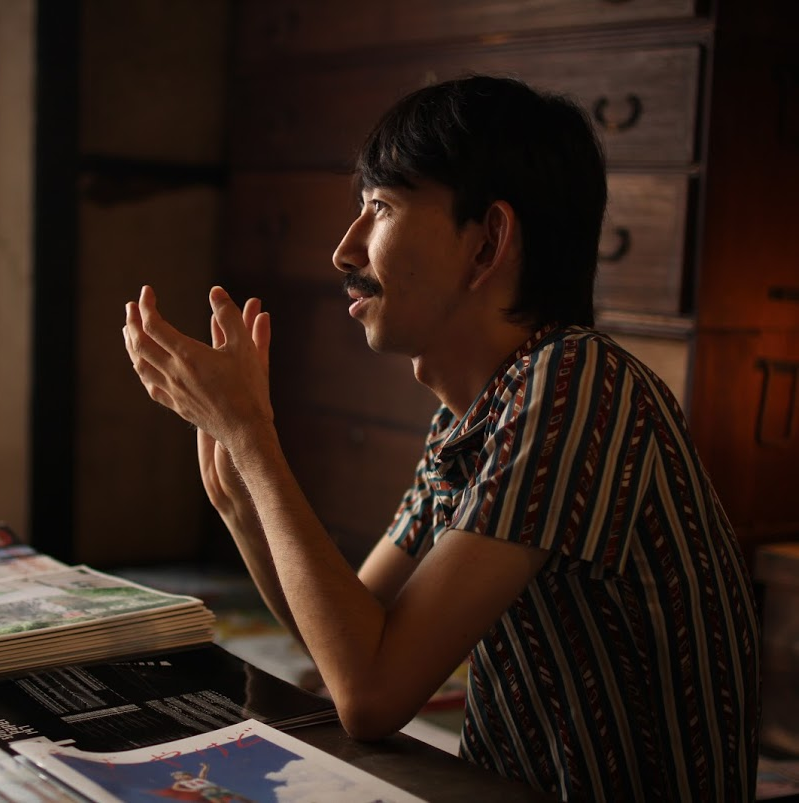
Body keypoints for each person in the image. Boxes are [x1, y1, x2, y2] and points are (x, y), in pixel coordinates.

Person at [122, 75, 760, 801]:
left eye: (381, 207)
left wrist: (253, 435)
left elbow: (371, 693)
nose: (344, 249)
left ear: (487, 243)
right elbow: (346, 641)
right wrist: (241, 493)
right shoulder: (468, 418)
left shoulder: (580, 383)